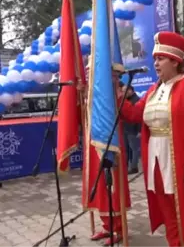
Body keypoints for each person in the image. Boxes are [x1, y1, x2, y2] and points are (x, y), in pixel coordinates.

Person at [118, 31, 184, 246]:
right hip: (156, 159)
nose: (156, 63)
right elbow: (135, 115)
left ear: (175, 61)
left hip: (180, 160)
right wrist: (117, 97)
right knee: (168, 214)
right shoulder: (154, 90)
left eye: (160, 58)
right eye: (155, 59)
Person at [81, 65, 131, 246]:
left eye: (91, 71)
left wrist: (118, 93)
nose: (89, 74)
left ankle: (118, 228)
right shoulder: (93, 94)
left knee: (112, 186)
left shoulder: (115, 95)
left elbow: (129, 114)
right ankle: (107, 225)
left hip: (111, 146)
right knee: (99, 186)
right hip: (94, 145)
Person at [121, 84, 141, 174]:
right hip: (126, 128)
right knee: (126, 149)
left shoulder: (137, 100)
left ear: (131, 90)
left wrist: (140, 130)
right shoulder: (125, 100)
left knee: (134, 149)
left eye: (126, 90)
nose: (124, 92)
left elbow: (140, 117)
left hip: (133, 130)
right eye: (123, 90)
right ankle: (125, 166)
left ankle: (134, 167)